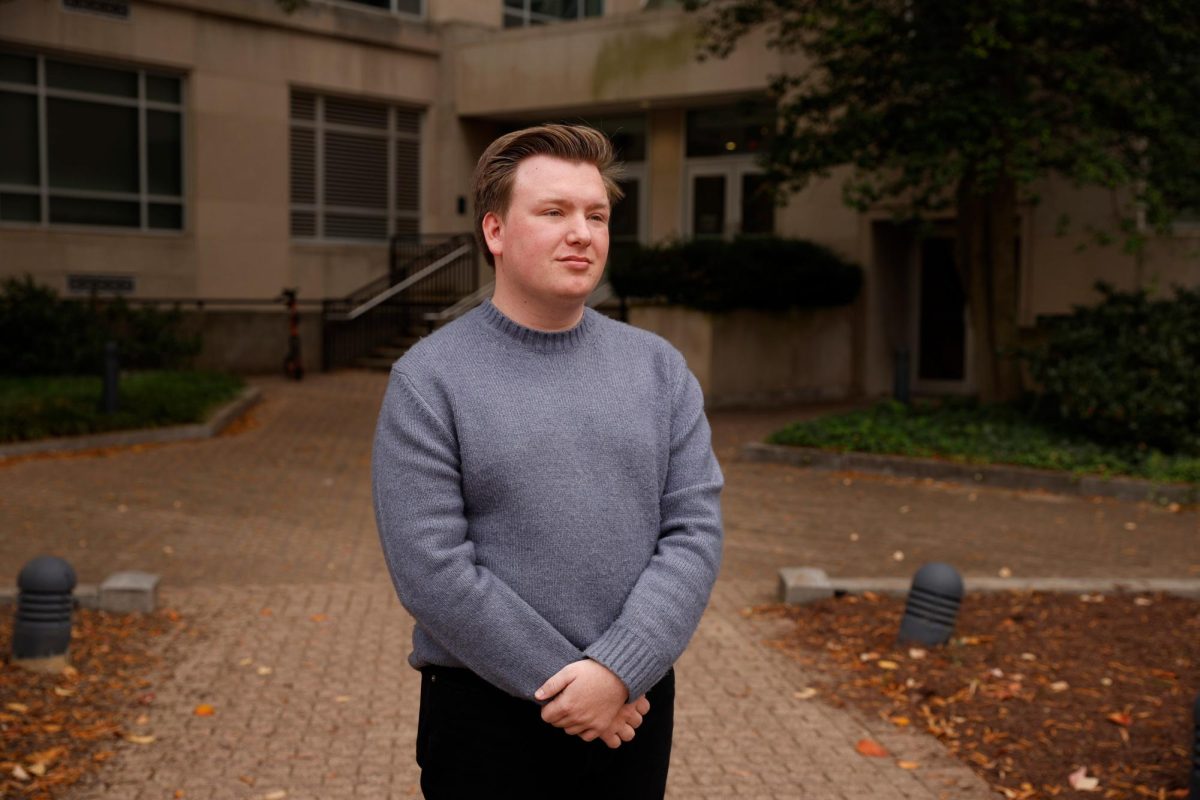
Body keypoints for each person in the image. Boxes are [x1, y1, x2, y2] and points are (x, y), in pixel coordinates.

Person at [372, 123, 724, 799]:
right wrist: (576, 682)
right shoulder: (430, 380)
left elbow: (694, 533)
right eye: (555, 212)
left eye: (596, 215)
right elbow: (431, 568)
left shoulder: (660, 371)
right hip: (485, 714)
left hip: (633, 703)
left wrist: (617, 672)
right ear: (496, 232)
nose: (583, 233)